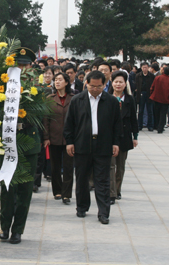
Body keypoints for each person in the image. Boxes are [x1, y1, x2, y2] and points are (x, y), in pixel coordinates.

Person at [64, 70, 122, 224]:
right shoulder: (77, 100)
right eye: (93, 86)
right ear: (86, 84)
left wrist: (116, 143)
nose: (96, 89)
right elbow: (69, 123)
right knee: (82, 178)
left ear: (104, 85)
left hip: (103, 145)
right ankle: (82, 207)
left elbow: (117, 125)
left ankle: (103, 212)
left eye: (99, 86)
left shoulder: (111, 101)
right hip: (82, 144)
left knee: (102, 180)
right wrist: (69, 142)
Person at [0, 47, 41, 244]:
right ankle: (4, 226)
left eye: (25, 65)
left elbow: (42, 116)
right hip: (6, 143)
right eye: (18, 65)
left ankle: (18, 230)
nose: (22, 69)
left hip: (29, 143)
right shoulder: (1, 85)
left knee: (25, 190)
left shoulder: (38, 89)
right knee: (7, 188)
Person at [43, 73, 74, 205]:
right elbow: (46, 120)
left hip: (69, 139)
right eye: (56, 80)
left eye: (60, 80)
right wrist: (46, 137)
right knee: (55, 167)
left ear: (66, 82)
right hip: (54, 137)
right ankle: (57, 191)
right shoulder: (50, 98)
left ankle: (66, 194)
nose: (57, 82)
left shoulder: (74, 98)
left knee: (68, 167)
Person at [108, 71, 138, 204]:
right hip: (109, 137)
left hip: (124, 136)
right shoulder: (107, 98)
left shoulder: (130, 99)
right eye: (116, 81)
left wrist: (135, 136)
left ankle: (117, 189)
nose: (118, 84)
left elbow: (133, 119)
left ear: (125, 84)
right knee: (110, 166)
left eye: (121, 82)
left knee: (120, 166)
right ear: (111, 83)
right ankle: (111, 192)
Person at [150, 67, 169, 134]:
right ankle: (160, 128)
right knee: (163, 114)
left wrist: (152, 94)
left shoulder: (157, 78)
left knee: (156, 112)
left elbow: (152, 87)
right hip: (165, 99)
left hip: (156, 98)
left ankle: (156, 125)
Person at [135, 62, 155, 131]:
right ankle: (139, 125)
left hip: (149, 93)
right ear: (141, 68)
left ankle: (150, 125)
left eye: (146, 67)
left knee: (150, 110)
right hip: (141, 93)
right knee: (140, 110)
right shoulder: (138, 75)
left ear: (148, 67)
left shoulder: (151, 76)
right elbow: (136, 84)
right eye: (143, 67)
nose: (145, 69)